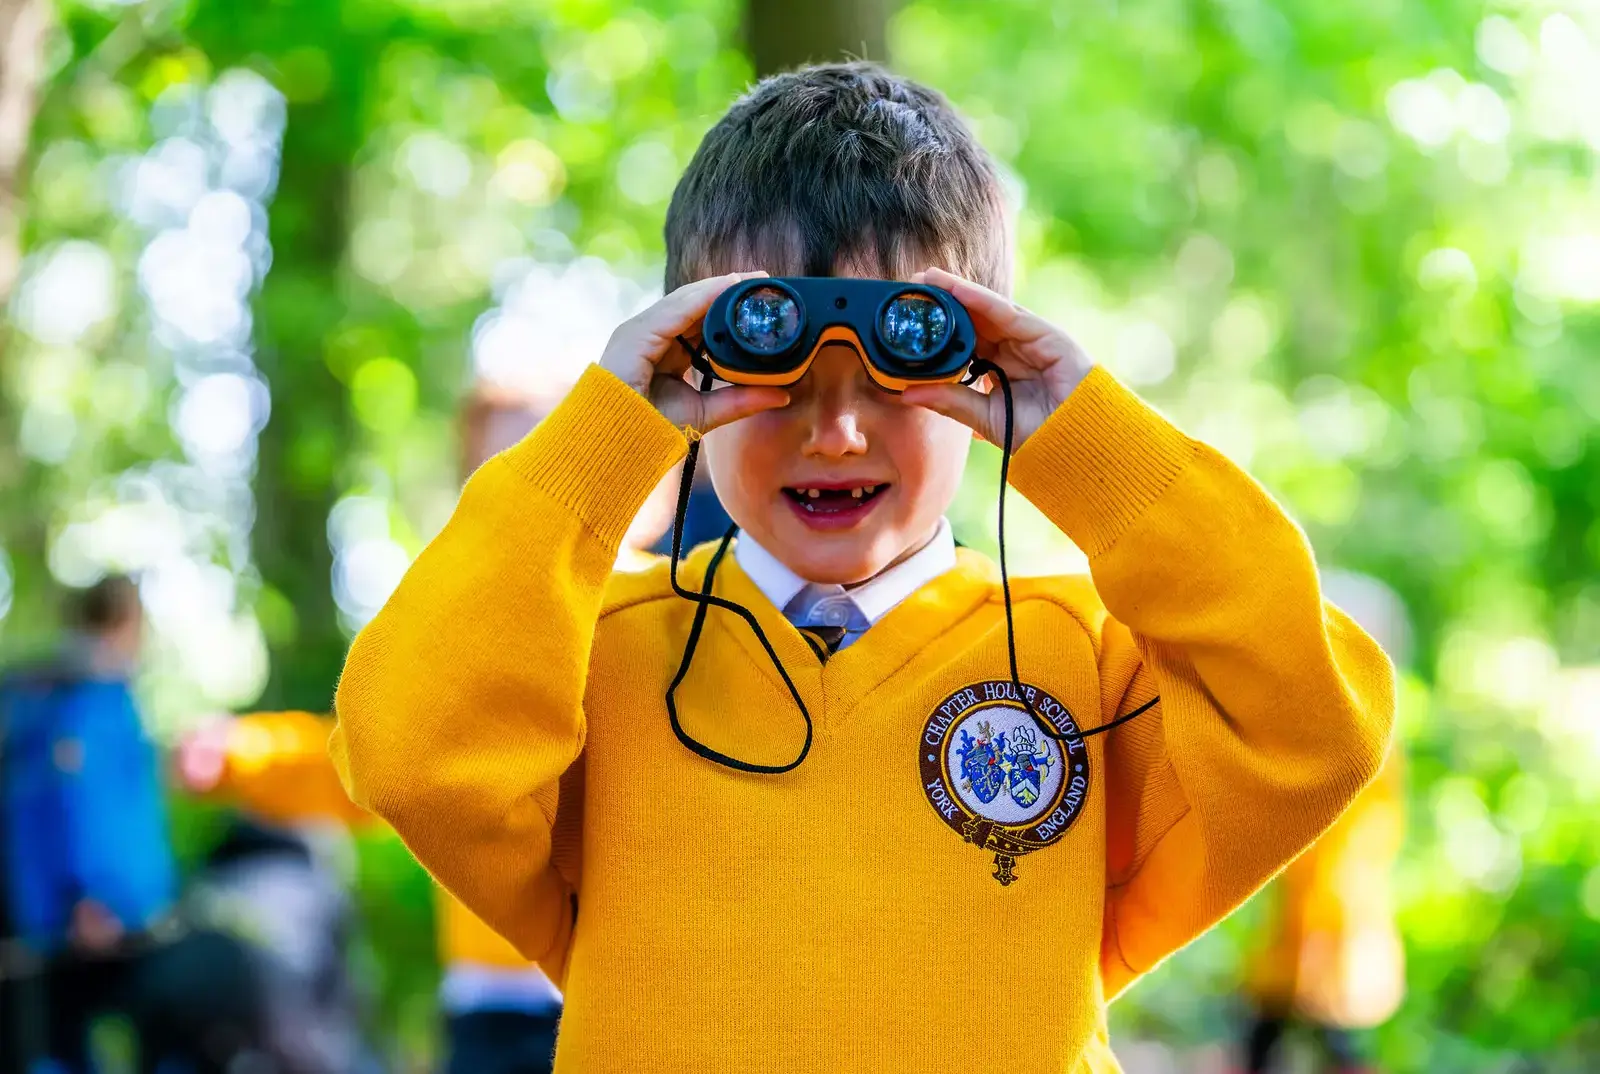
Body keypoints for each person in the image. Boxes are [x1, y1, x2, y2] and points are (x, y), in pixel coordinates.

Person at [327, 62, 1396, 1072]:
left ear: (979, 362)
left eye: (898, 368)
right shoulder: (590, 654)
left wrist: (1093, 445)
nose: (834, 431)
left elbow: (1314, 730)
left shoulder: (1084, 662)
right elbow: (407, 753)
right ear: (693, 359)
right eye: (773, 366)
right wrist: (606, 441)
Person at [181, 378, 681, 1074]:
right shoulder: (468, 630)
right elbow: (379, 758)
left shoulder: (685, 612)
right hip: (489, 1005)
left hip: (632, 1001)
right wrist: (247, 754)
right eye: (508, 465)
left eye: (556, 450)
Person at [0, 576, 177, 1073]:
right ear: (125, 619)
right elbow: (79, 799)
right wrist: (88, 895)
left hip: (51, 916)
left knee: (58, 1038)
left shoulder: (42, 692)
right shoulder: (90, 693)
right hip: (97, 919)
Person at [1236, 574, 1410, 1074]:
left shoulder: (1373, 735)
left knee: (1333, 1027)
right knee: (1272, 1021)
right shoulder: (1328, 725)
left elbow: (1368, 830)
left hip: (1339, 909)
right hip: (1304, 906)